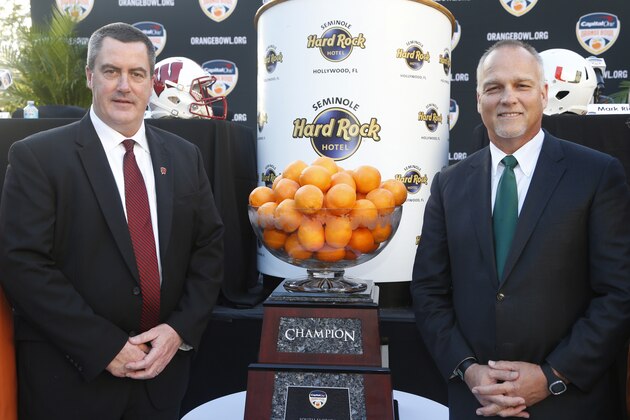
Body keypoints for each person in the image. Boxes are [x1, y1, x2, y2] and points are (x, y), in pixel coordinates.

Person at [0, 22, 224, 419]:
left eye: (137, 74)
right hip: (71, 382)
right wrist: (104, 347)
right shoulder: (38, 157)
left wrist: (179, 332)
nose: (125, 85)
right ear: (90, 77)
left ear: (151, 82)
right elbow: (23, 264)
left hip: (162, 378)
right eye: (111, 71)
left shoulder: (185, 156)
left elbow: (209, 247)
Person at [411, 40, 630, 419]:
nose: (508, 98)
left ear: (544, 95)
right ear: (478, 98)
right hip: (477, 402)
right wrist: (469, 370)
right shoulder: (448, 184)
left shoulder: (597, 175)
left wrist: (552, 376)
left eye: (522, 85)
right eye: (494, 87)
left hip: (569, 402)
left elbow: (618, 292)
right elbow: (429, 291)